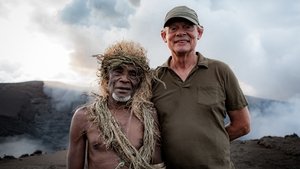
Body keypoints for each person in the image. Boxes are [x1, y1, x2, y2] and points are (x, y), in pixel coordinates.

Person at [152, 6, 251, 169]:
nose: (180, 33)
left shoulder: (220, 71)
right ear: (164, 36)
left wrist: (212, 144)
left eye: (188, 27)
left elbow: (243, 125)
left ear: (199, 32)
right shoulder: (154, 79)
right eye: (174, 28)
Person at [67, 40, 164, 169]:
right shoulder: (84, 116)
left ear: (139, 81)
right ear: (107, 76)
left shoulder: (149, 116)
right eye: (118, 71)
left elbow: (156, 165)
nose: (124, 79)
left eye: (132, 74)